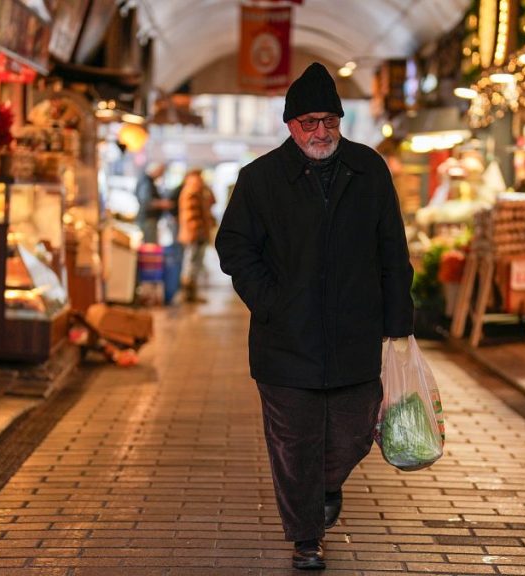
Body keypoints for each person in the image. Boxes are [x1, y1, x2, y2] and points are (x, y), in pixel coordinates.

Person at [215, 62, 414, 570]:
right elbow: (233, 246)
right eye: (309, 122)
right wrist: (270, 301)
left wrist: (399, 326)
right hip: (285, 341)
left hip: (355, 335)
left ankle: (323, 486)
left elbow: (392, 248)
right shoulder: (259, 180)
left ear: (341, 121)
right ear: (290, 125)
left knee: (352, 432)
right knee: (293, 443)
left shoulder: (369, 170)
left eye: (329, 120)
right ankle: (306, 538)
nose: (321, 132)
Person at [177, 168, 215, 302]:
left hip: (195, 232)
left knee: (194, 262)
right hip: (195, 233)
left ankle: (191, 294)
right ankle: (188, 295)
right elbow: (193, 214)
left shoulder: (196, 189)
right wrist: (199, 230)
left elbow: (212, 201)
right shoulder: (194, 190)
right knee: (192, 263)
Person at [135, 161, 172, 244]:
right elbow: (146, 201)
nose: (162, 175)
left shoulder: (149, 181)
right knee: (150, 245)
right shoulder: (146, 182)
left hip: (149, 218)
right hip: (148, 218)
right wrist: (162, 204)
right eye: (161, 172)